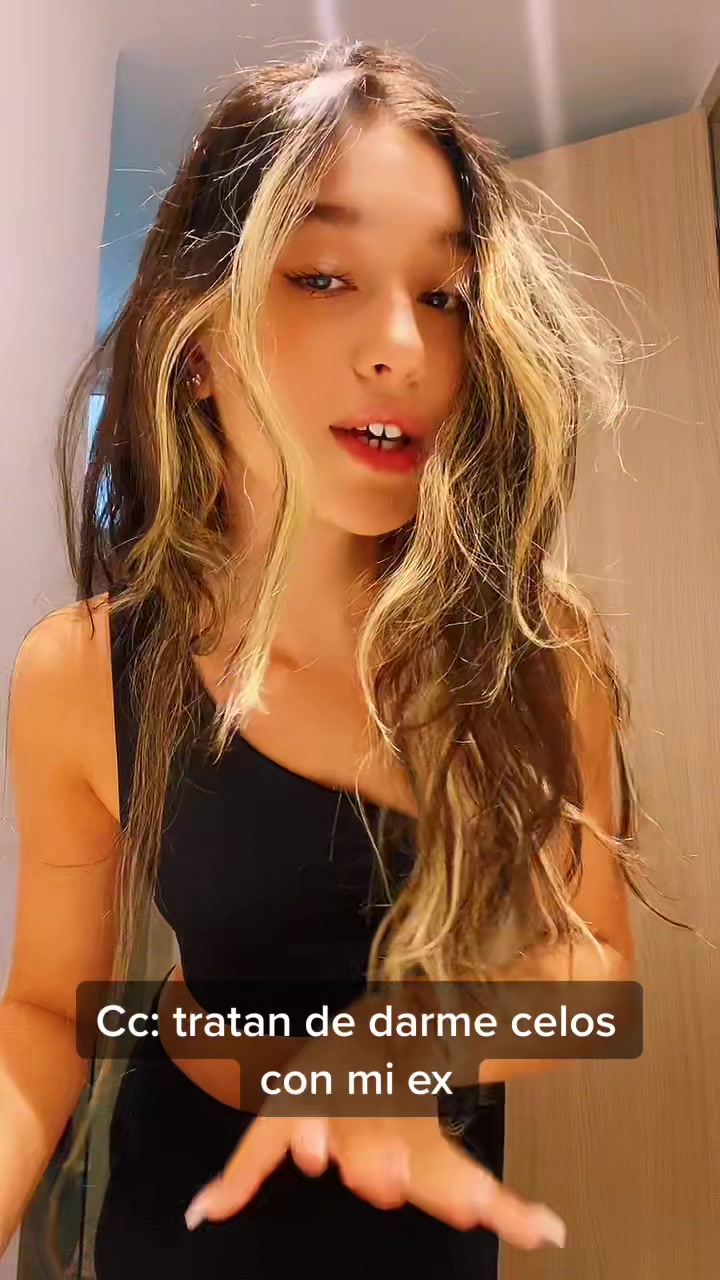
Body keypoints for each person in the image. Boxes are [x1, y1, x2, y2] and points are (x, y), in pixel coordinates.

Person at [1, 40, 645, 1280]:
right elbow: (42, 1007)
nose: (404, 346)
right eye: (325, 275)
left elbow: (596, 968)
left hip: (422, 1197)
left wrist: (392, 1051)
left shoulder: (536, 651)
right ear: (193, 343)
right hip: (181, 1195)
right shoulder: (82, 672)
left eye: (445, 295)